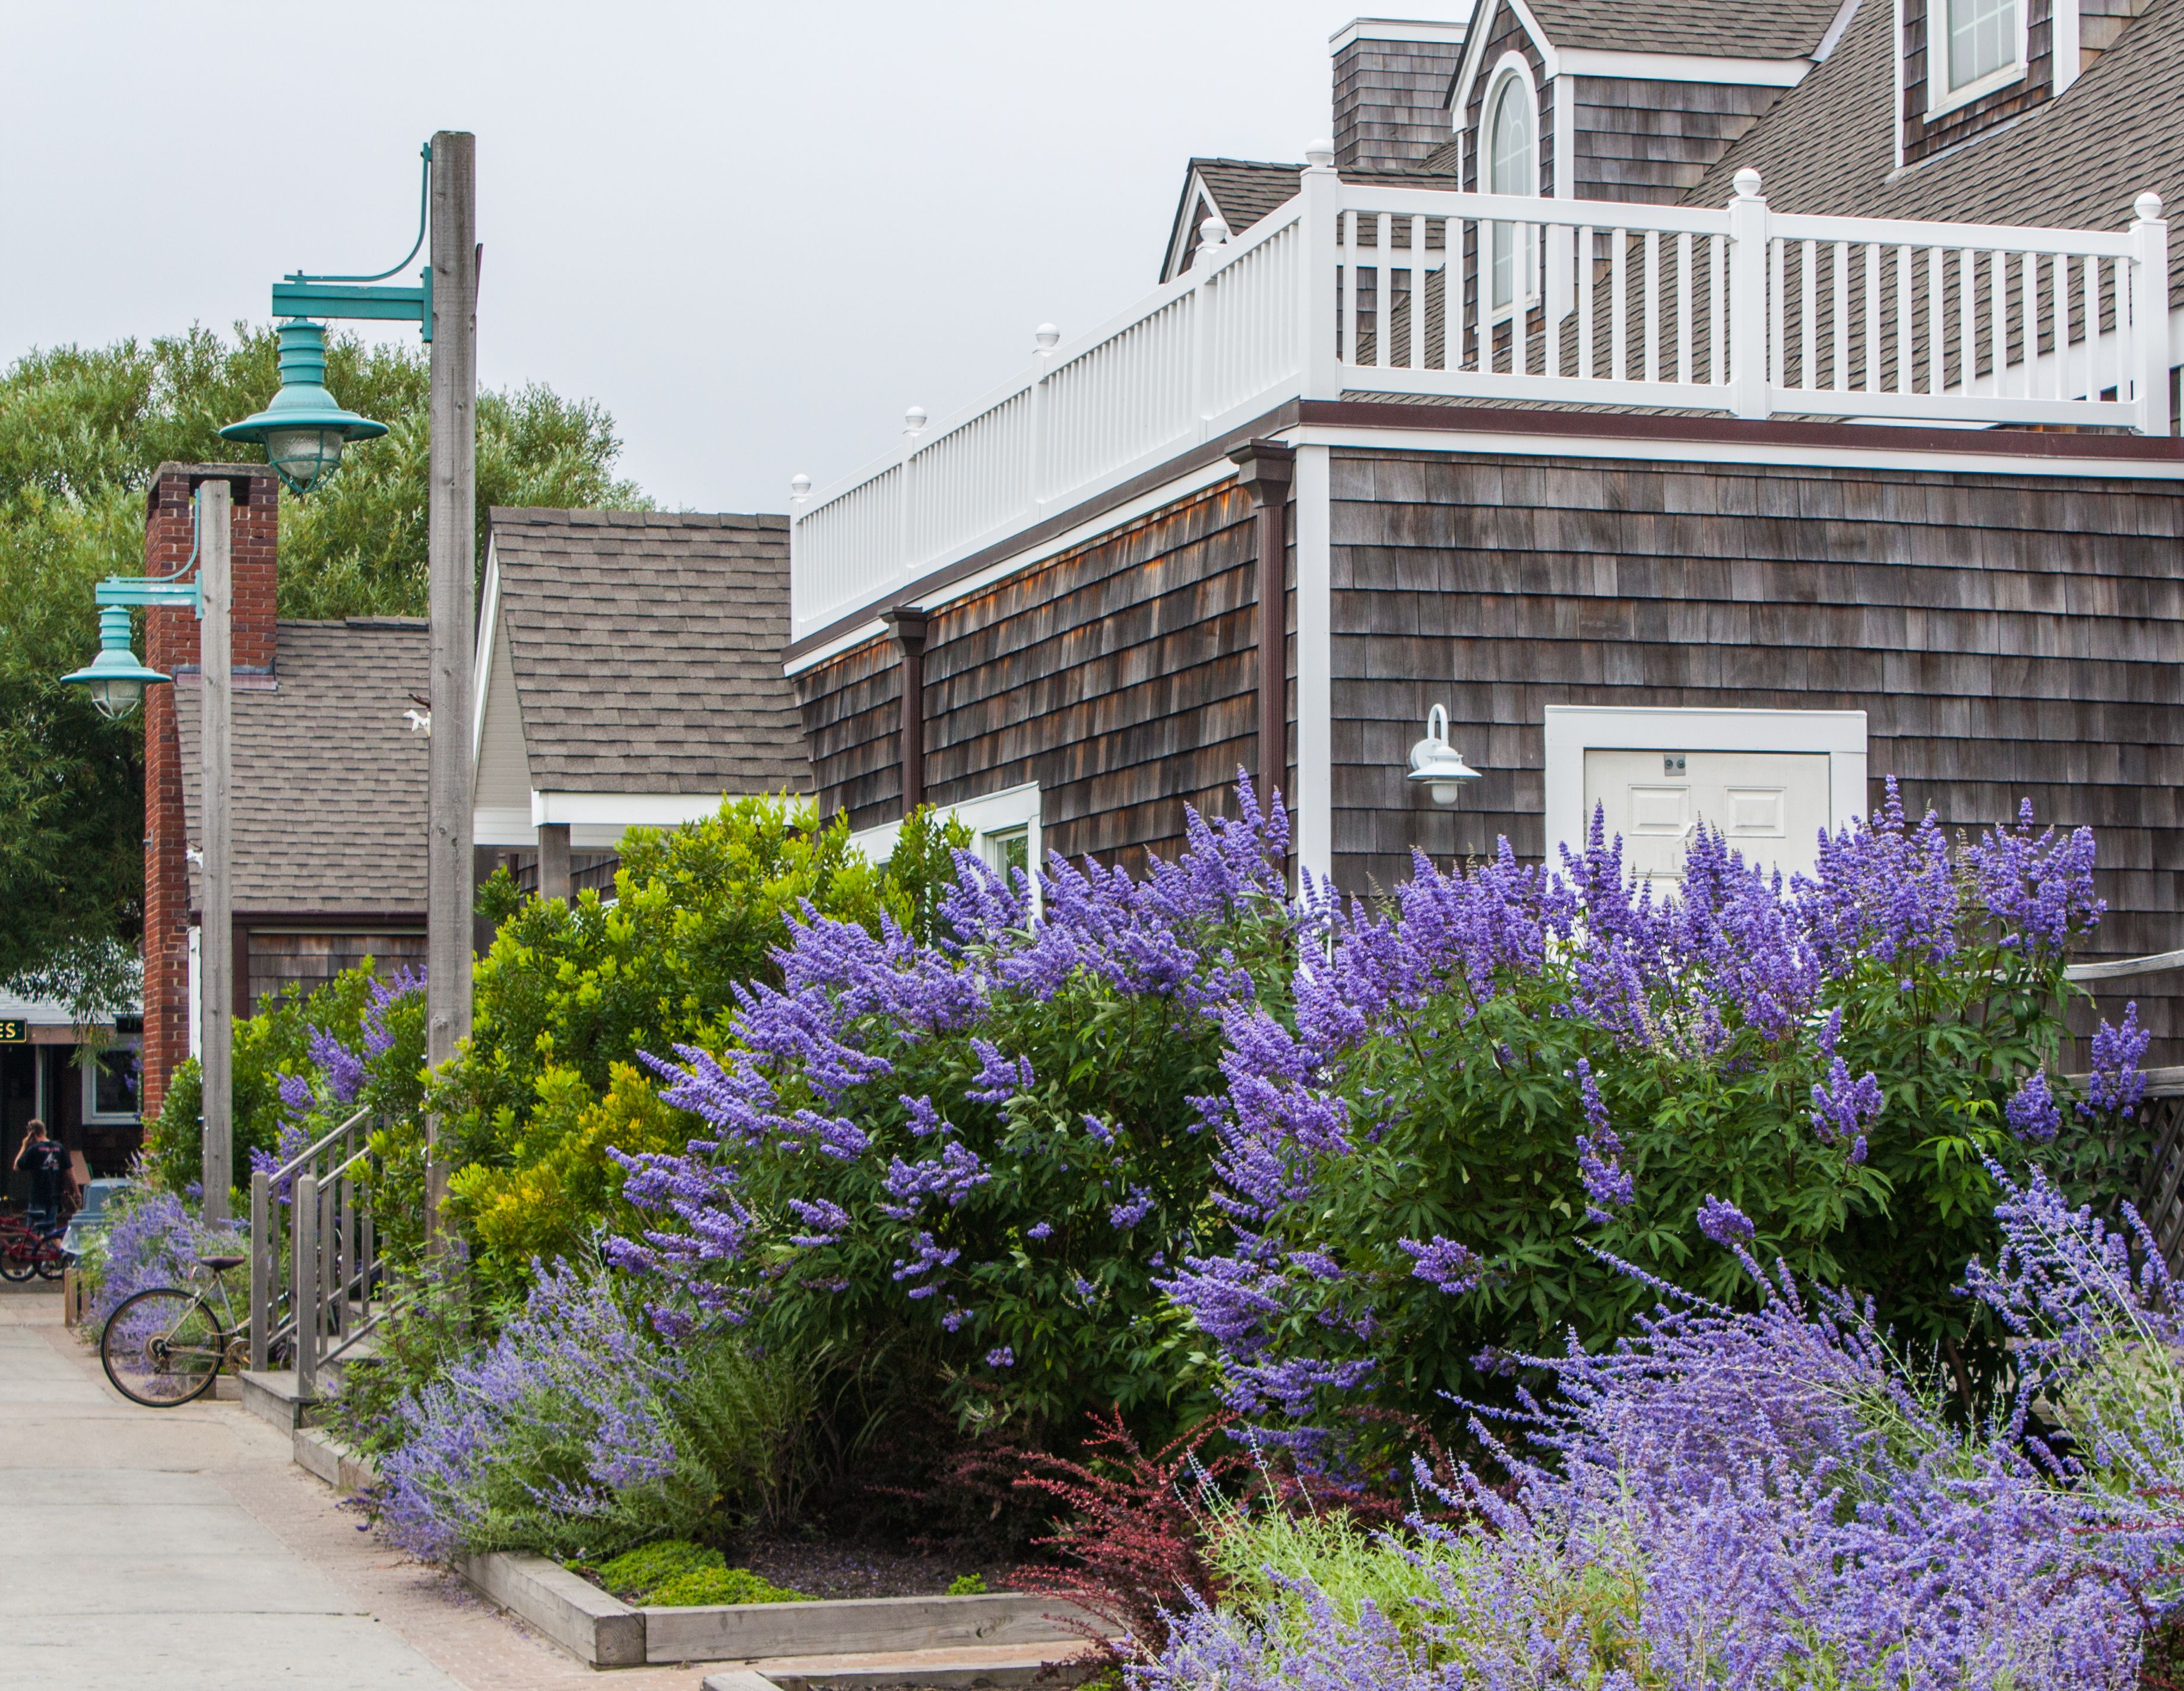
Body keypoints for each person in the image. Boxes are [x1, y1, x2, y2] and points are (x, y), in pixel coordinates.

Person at [14, 1121, 72, 1234]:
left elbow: (17, 1166)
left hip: (38, 1197)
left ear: (32, 1134)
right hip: (54, 1197)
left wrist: (24, 1146)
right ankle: (59, 1251)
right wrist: (76, 1192)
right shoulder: (59, 1148)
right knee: (50, 1230)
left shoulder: (34, 1149)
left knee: (33, 1232)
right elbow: (69, 1170)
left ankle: (39, 1251)